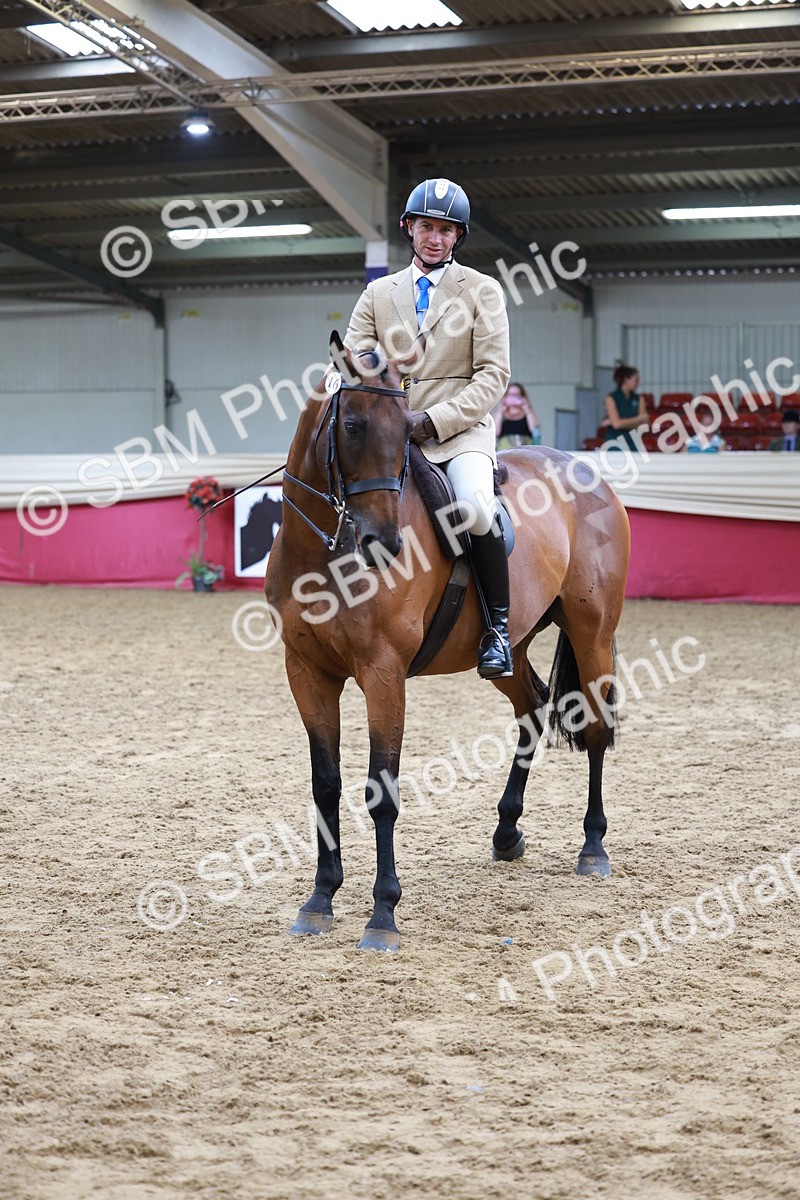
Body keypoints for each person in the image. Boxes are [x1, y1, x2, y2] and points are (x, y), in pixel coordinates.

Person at [345, 177, 512, 678]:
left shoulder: (482, 290)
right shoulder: (378, 293)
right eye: (425, 227)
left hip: (457, 432)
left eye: (445, 230)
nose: (434, 238)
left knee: (478, 509)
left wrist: (435, 420)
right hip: (388, 433)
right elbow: (354, 356)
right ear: (408, 229)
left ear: (457, 236)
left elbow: (494, 375)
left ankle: (497, 630)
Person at [603, 363, 649, 450]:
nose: (638, 383)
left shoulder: (639, 399)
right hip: (615, 444)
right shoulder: (611, 398)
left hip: (634, 443)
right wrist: (638, 419)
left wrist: (620, 422)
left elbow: (643, 425)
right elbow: (617, 424)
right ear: (626, 380)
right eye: (636, 380)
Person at [494, 382, 541, 450]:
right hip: (504, 455)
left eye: (516, 395)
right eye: (510, 395)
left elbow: (536, 431)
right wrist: (500, 411)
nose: (512, 398)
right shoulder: (500, 415)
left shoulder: (528, 414)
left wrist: (527, 410)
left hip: (526, 454)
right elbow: (495, 433)